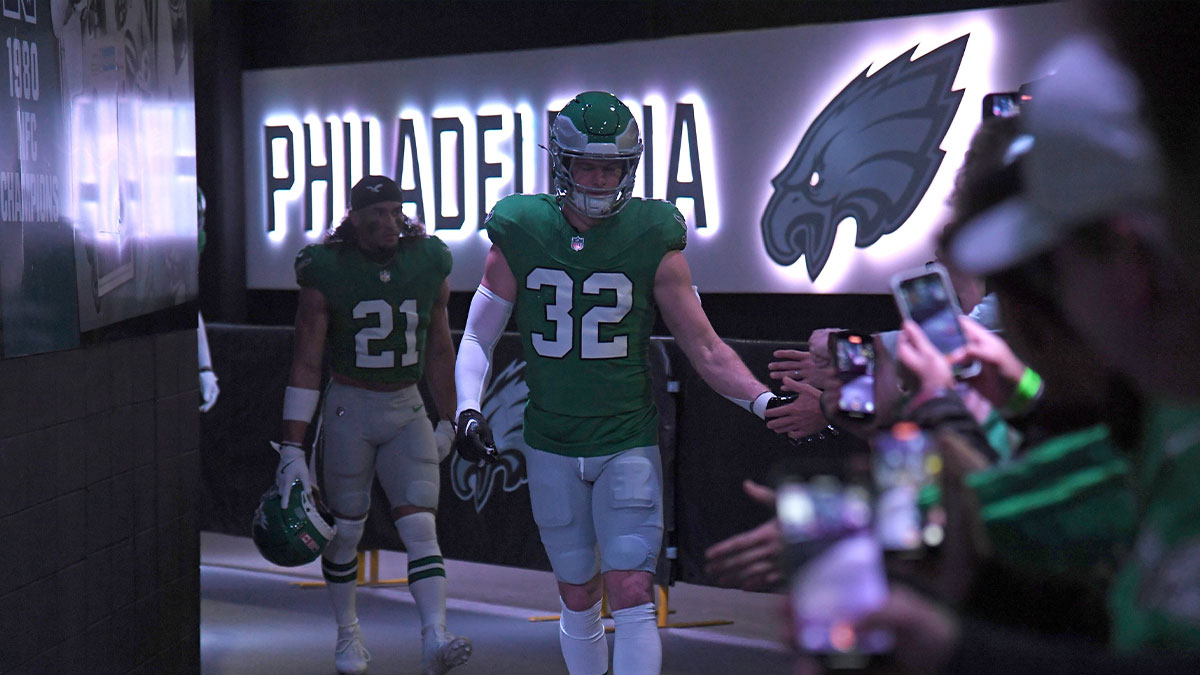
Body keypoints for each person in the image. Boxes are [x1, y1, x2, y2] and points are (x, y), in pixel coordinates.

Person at [452, 91, 810, 675]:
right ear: (562, 163)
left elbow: (705, 346)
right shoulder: (520, 229)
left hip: (626, 439)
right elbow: (476, 337)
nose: (600, 180)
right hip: (551, 441)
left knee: (633, 588)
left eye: (612, 167)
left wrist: (763, 401)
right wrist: (469, 407)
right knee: (576, 592)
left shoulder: (651, 236)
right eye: (589, 166)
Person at [275, 175, 470, 675]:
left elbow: (440, 349)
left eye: (395, 211)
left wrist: (450, 418)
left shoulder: (428, 260)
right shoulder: (328, 268)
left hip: (406, 406)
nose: (389, 222)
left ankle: (435, 637)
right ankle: (348, 634)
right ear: (355, 218)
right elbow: (306, 361)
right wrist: (293, 446)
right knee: (344, 532)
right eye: (377, 213)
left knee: (421, 526)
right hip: (350, 407)